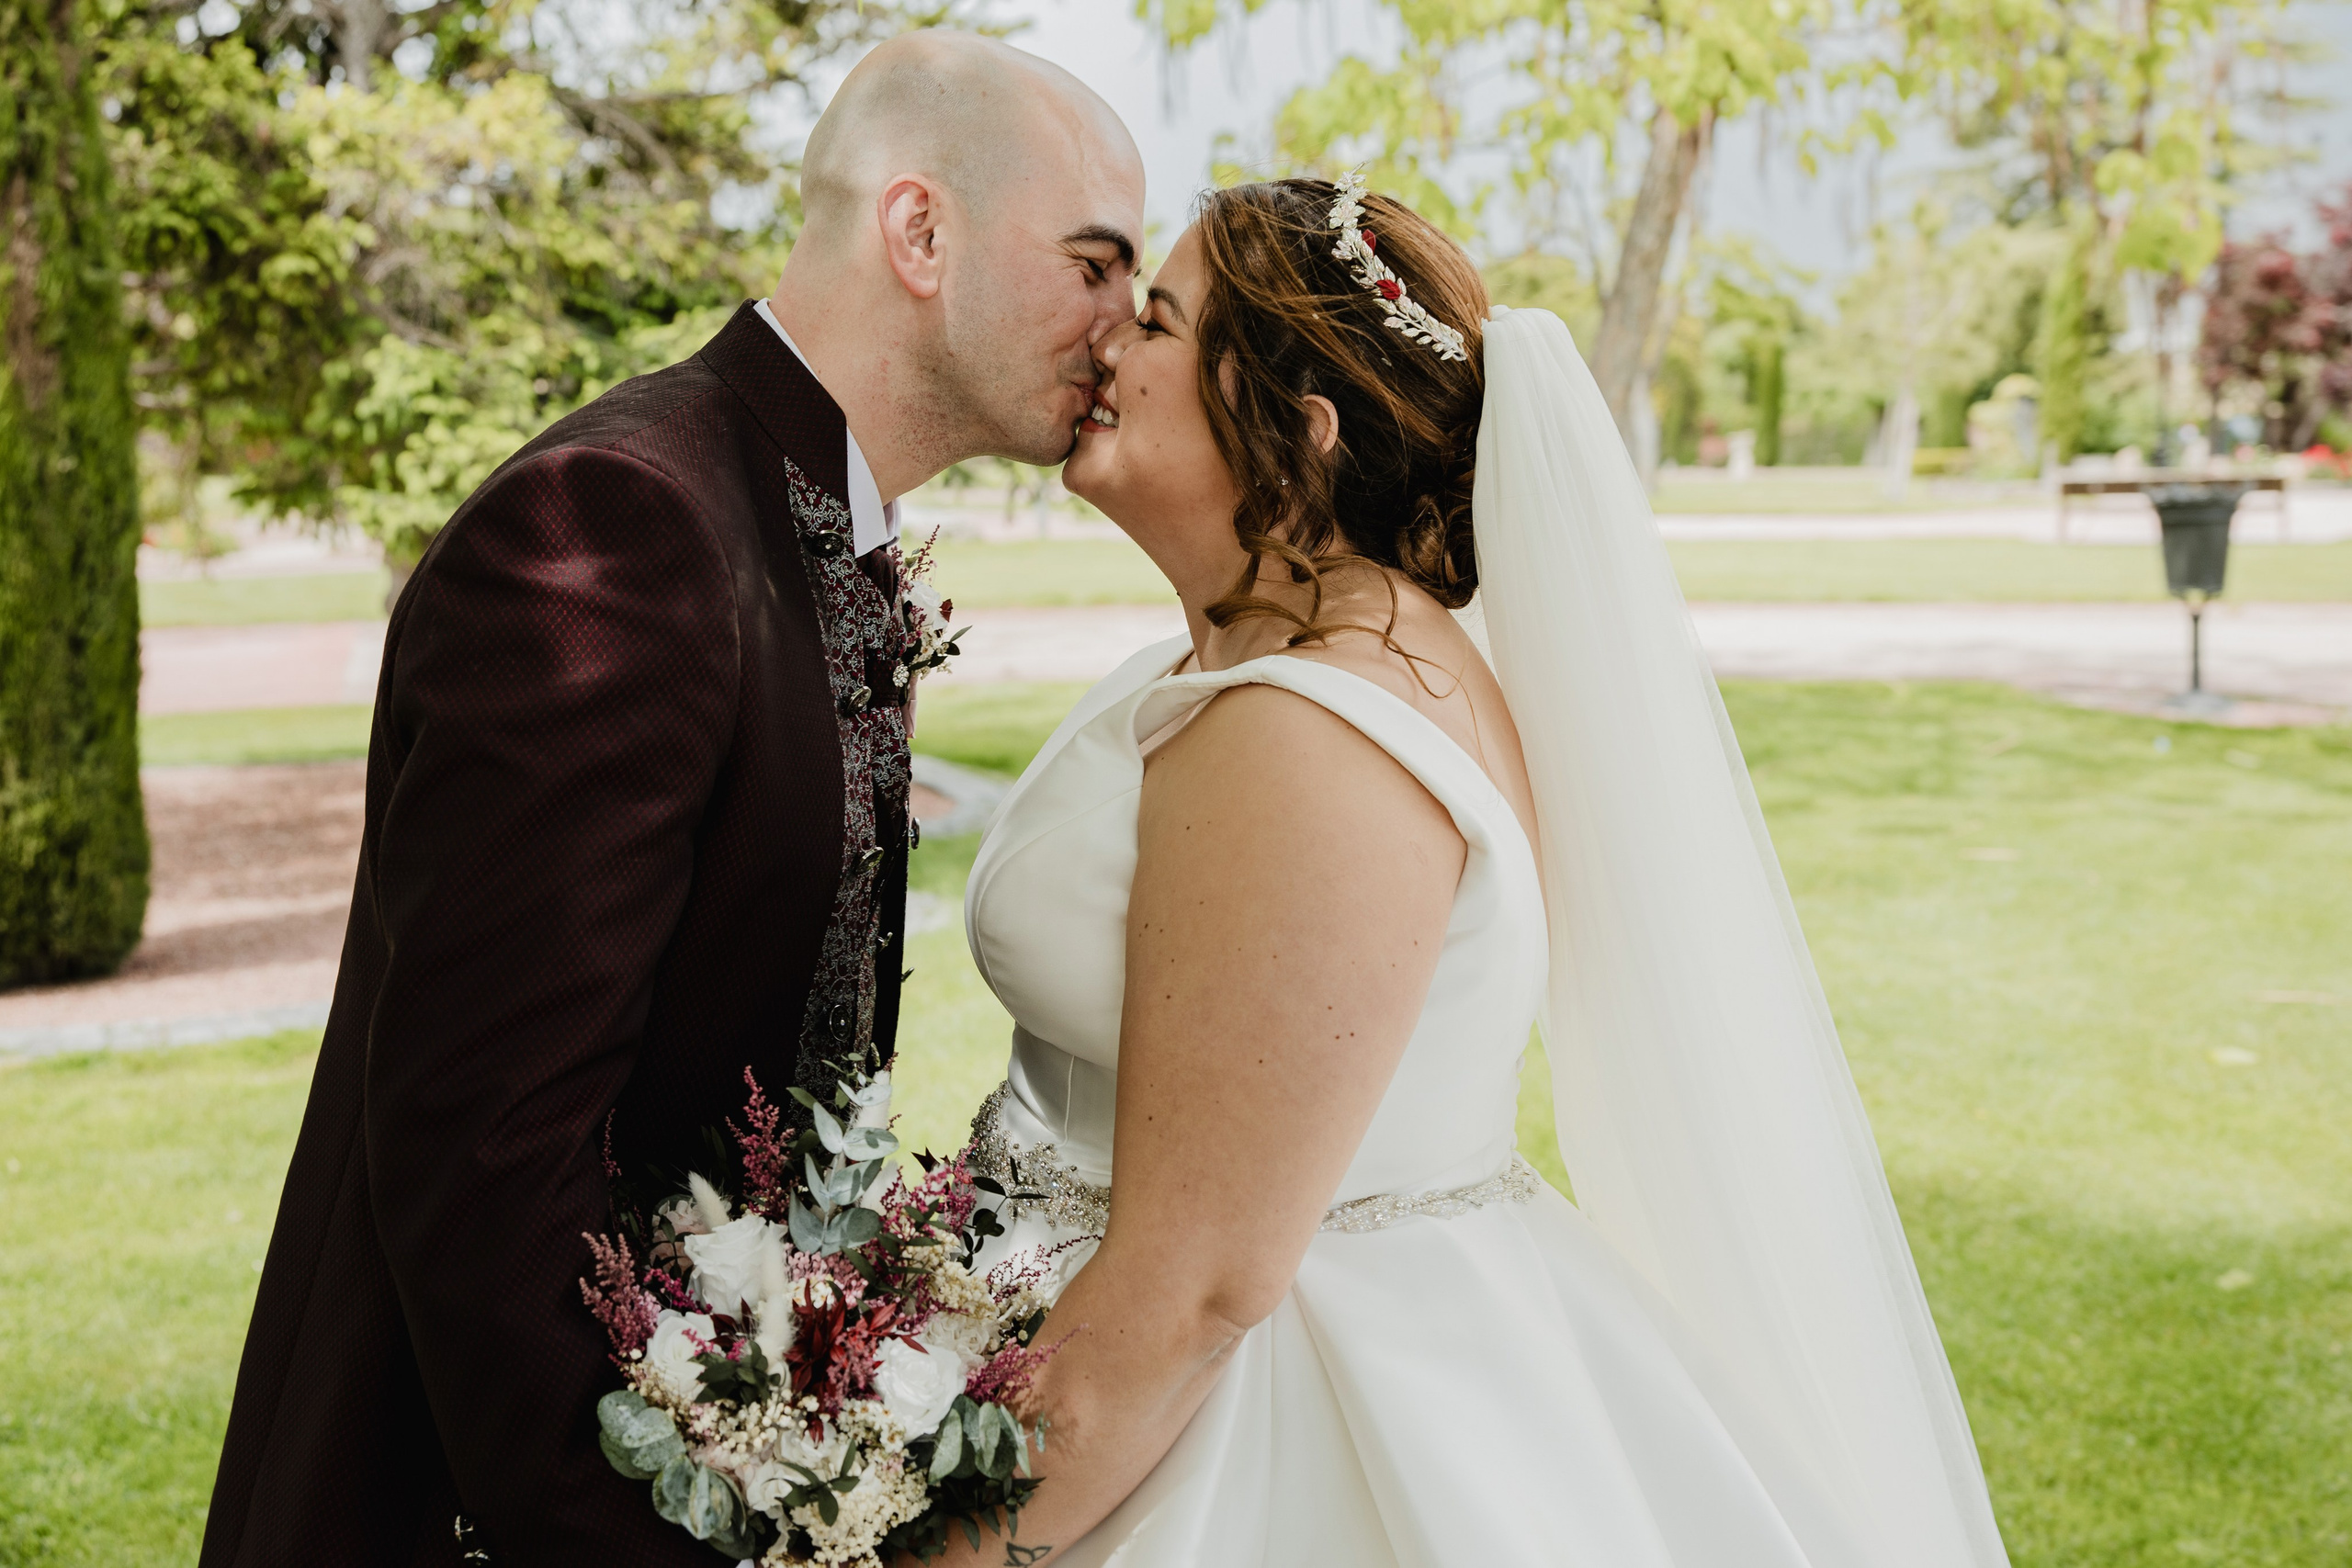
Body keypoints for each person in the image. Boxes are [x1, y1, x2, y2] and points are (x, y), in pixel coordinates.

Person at [944, 177, 2014, 1566]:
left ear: (1299, 435)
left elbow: (1201, 1284)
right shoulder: (1277, 655)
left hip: (1245, 1426)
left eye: (1156, 321)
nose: (1106, 348)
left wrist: (930, 1551)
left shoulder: (1310, 731)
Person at [198, 34, 1142, 1568]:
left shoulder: (825, 530)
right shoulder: (615, 530)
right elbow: (481, 1151)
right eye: (1095, 262)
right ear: (920, 233)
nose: (1126, 321)